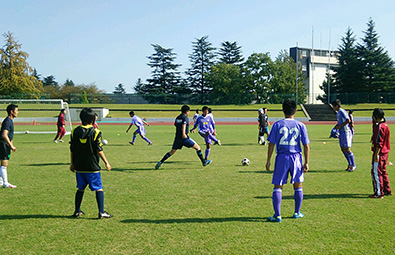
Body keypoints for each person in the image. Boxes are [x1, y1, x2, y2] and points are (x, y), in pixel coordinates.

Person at [265, 99, 310, 223]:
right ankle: (297, 212)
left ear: (282, 110)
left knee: (278, 185)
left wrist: (268, 160)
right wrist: (306, 162)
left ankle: (277, 215)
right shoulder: (301, 125)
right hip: (296, 157)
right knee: (298, 184)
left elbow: (271, 143)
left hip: (282, 157)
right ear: (296, 110)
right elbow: (306, 145)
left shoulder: (277, 124)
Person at [70, 108, 112, 219]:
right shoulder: (96, 132)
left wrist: (72, 163)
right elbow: (99, 149)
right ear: (92, 119)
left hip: (79, 165)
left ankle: (77, 211)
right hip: (92, 166)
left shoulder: (75, 131)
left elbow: (72, 149)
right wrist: (106, 162)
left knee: (80, 188)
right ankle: (101, 212)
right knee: (98, 188)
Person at [155, 105, 212, 169]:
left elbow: (175, 124)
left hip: (177, 138)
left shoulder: (178, 117)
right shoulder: (185, 118)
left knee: (172, 152)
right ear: (187, 111)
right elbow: (183, 125)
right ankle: (204, 162)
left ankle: (160, 162)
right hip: (184, 138)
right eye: (189, 111)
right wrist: (183, 133)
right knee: (198, 148)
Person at [370, 108, 392, 198]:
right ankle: (387, 189)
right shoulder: (384, 125)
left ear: (376, 117)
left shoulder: (380, 127)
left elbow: (379, 142)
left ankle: (378, 193)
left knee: (376, 172)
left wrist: (376, 154)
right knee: (383, 171)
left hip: (380, 153)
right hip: (385, 152)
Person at [332, 99, 356, 172]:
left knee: (347, 149)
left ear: (336, 106)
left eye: (333, 106)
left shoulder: (342, 111)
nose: (333, 108)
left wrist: (339, 127)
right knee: (342, 148)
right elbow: (340, 122)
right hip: (341, 132)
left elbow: (348, 120)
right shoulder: (338, 113)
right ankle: (349, 164)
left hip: (346, 132)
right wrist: (336, 127)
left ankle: (353, 164)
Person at [0, 104, 18, 188]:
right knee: (4, 163)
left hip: (5, 144)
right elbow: (4, 134)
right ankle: (5, 183)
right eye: (16, 110)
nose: (17, 112)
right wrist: (11, 145)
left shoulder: (10, 121)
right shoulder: (7, 121)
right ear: (11, 111)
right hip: (3, 144)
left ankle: (1, 181)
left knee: (3, 163)